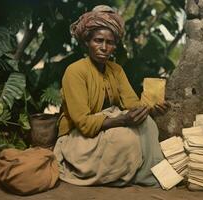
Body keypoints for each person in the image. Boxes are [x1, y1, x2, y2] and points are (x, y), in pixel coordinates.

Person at [54, 5, 169, 187]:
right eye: (98, 40)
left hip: (106, 129)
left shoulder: (116, 70)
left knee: (149, 124)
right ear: (87, 42)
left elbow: (133, 104)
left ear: (115, 45)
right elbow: (83, 124)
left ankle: (152, 174)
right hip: (79, 138)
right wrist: (122, 120)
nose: (104, 47)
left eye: (110, 43)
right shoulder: (75, 71)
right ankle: (128, 174)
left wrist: (151, 109)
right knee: (125, 140)